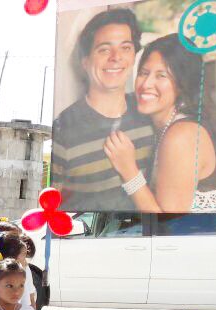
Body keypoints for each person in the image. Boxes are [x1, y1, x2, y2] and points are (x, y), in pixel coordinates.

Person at [103, 34, 216, 213]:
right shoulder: (166, 125)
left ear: (182, 85)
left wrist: (128, 170)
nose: (146, 83)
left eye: (161, 75)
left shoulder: (182, 136)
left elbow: (167, 225)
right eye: (144, 73)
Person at [51, 8, 155, 211]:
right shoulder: (64, 129)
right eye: (104, 49)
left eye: (125, 47)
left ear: (134, 55)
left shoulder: (149, 114)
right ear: (85, 61)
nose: (116, 57)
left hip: (146, 239)